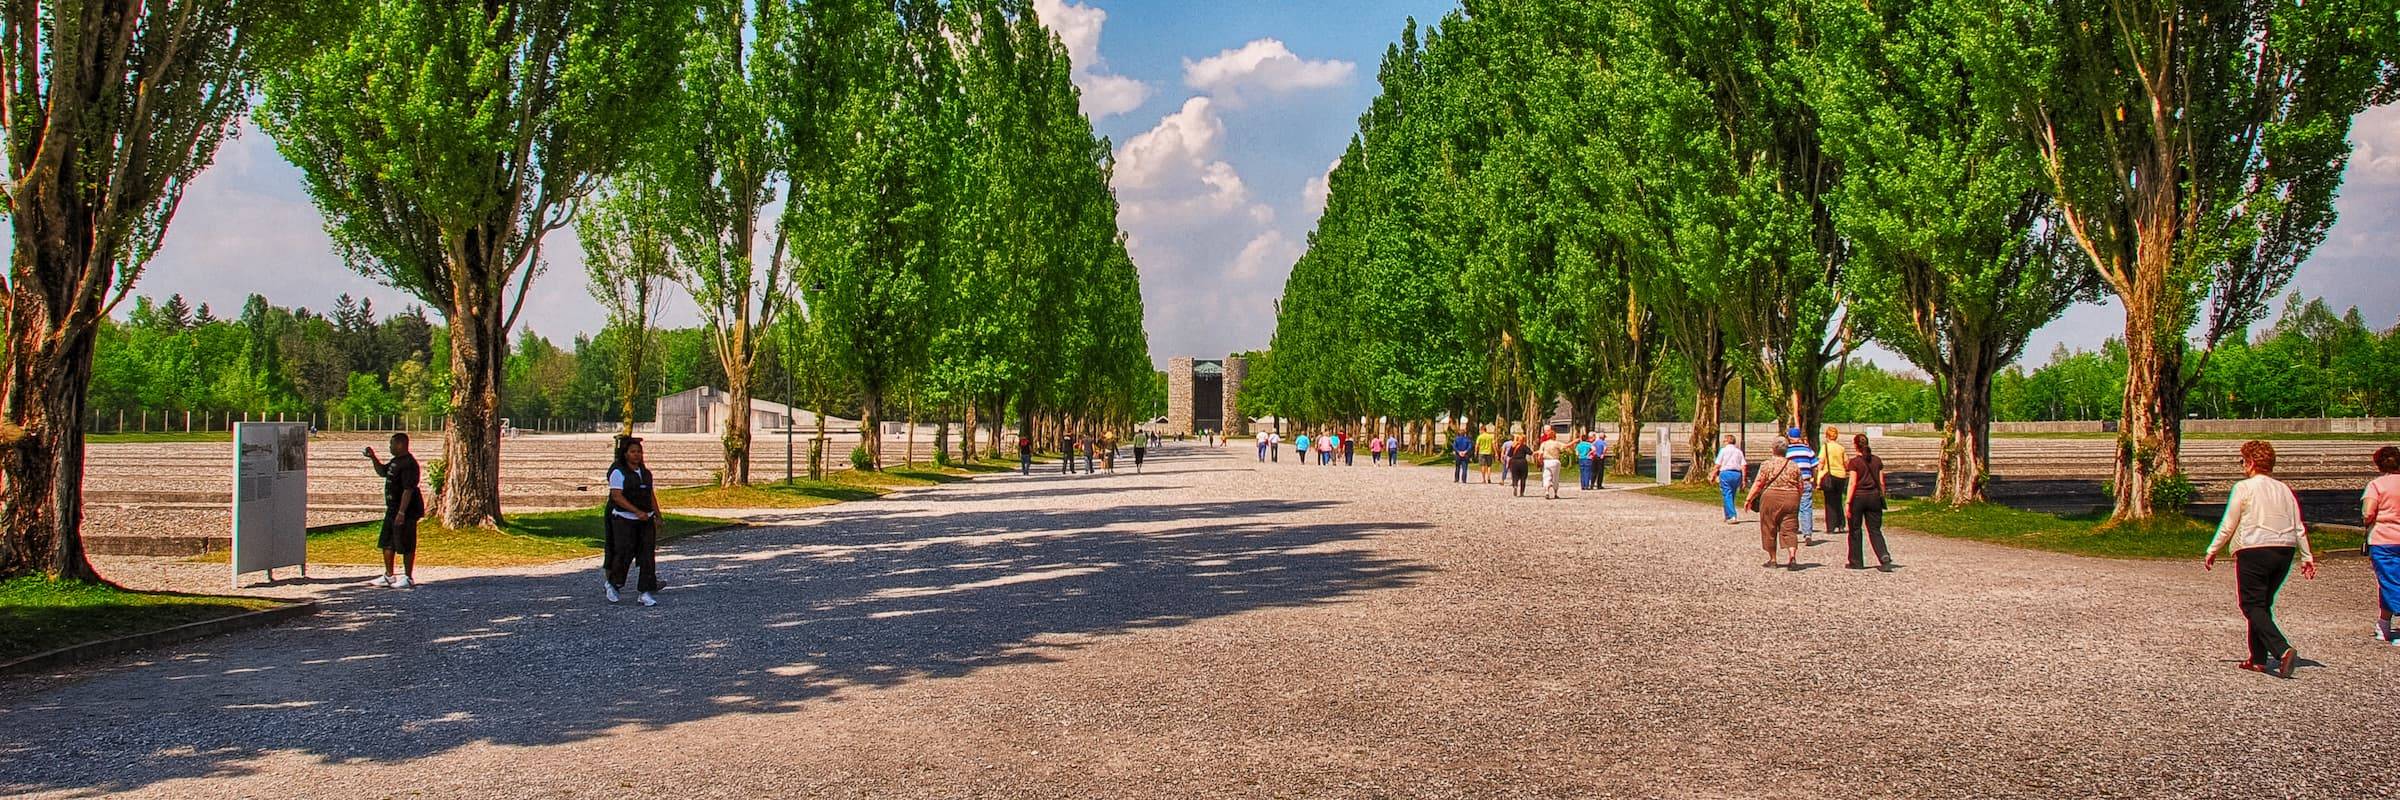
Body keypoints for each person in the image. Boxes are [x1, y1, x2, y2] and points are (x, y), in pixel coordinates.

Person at [2204, 440, 2316, 677]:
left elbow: (2229, 523)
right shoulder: (2284, 489)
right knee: (2262, 604)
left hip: (2255, 548)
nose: (2242, 466)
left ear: (2251, 462)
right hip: (2284, 550)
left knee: (2251, 604)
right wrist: (2307, 555)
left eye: (2243, 461)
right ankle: (2257, 658)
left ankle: (2281, 649)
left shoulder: (2244, 487)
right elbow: (2298, 527)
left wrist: (2213, 548)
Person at [606, 436, 664, 606]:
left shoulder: (646, 474)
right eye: (632, 452)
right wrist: (636, 512)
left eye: (639, 452)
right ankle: (614, 583)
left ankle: (644, 591)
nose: (636, 455)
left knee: (647, 555)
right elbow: (617, 496)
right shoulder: (618, 472)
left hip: (646, 519)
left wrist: (658, 516)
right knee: (624, 552)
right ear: (625, 454)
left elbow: (650, 495)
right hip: (624, 519)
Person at [364, 433, 425, 588]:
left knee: (407, 541)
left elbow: (408, 489)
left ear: (400, 445)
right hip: (392, 508)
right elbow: (382, 472)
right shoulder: (395, 462)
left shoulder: (409, 464)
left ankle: (408, 576)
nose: (390, 447)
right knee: (387, 542)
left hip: (406, 510)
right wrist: (373, 458)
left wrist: (402, 512)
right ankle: (389, 575)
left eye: (391, 444)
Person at [1745, 438, 1807, 568]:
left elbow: (1758, 483)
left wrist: (1749, 499)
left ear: (1773, 449)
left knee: (1769, 526)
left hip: (1771, 497)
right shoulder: (1793, 465)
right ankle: (1792, 557)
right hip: (1791, 497)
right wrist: (1797, 498)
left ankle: (1773, 559)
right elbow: (1801, 486)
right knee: (1790, 528)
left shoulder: (1767, 465)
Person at [2363, 446, 2400, 645]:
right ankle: (2383, 624)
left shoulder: (2376, 485)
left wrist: (2367, 521)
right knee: (2390, 582)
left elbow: (2368, 513)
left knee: (2389, 582)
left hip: (2383, 539)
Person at [1843, 433, 1894, 571]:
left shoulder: (1854, 462)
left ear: (1855, 446)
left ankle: (1856, 561)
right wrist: (1881, 496)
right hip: (1874, 498)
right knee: (1875, 530)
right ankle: (1883, 555)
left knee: (1855, 530)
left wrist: (1848, 502)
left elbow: (1852, 483)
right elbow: (1882, 482)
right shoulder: (1877, 460)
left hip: (1858, 498)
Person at [1784, 428, 1818, 544]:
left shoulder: (1787, 451)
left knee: (1791, 508)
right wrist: (1815, 480)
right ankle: (1807, 534)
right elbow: (1814, 466)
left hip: (1791, 483)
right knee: (1806, 508)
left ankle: (1791, 531)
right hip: (1806, 481)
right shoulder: (1808, 450)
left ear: (1789, 437)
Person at [1819, 426, 1850, 538]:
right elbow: (1846, 463)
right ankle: (1841, 524)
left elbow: (1821, 461)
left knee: (1829, 501)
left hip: (1830, 475)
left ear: (1827, 436)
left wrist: (1818, 473)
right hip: (1841, 475)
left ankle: (1831, 526)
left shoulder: (1825, 447)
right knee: (1838, 499)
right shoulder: (1841, 448)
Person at [1714, 434, 1746, 524]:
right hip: (1737, 474)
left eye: (1724, 441)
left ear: (1727, 441)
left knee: (1727, 493)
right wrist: (1743, 479)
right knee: (1732, 494)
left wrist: (1712, 474)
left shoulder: (1723, 451)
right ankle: (1727, 514)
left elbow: (1718, 464)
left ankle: (1732, 515)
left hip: (1725, 473)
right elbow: (1743, 466)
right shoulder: (1739, 452)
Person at [1537, 433, 1569, 500]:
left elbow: (1540, 453)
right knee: (1555, 478)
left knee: (1546, 476)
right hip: (1555, 461)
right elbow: (1565, 446)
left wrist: (1539, 461)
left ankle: (1546, 491)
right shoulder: (1556, 443)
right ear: (1554, 436)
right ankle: (1555, 492)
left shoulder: (1544, 444)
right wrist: (1574, 442)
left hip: (1546, 461)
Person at [1507, 434, 1531, 498]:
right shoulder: (1524, 446)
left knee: (1515, 476)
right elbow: (1530, 452)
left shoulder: (1513, 446)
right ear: (1523, 440)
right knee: (1523, 477)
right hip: (1522, 462)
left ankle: (1515, 485)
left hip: (1514, 462)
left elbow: (1509, 454)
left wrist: (1513, 447)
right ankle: (1522, 492)